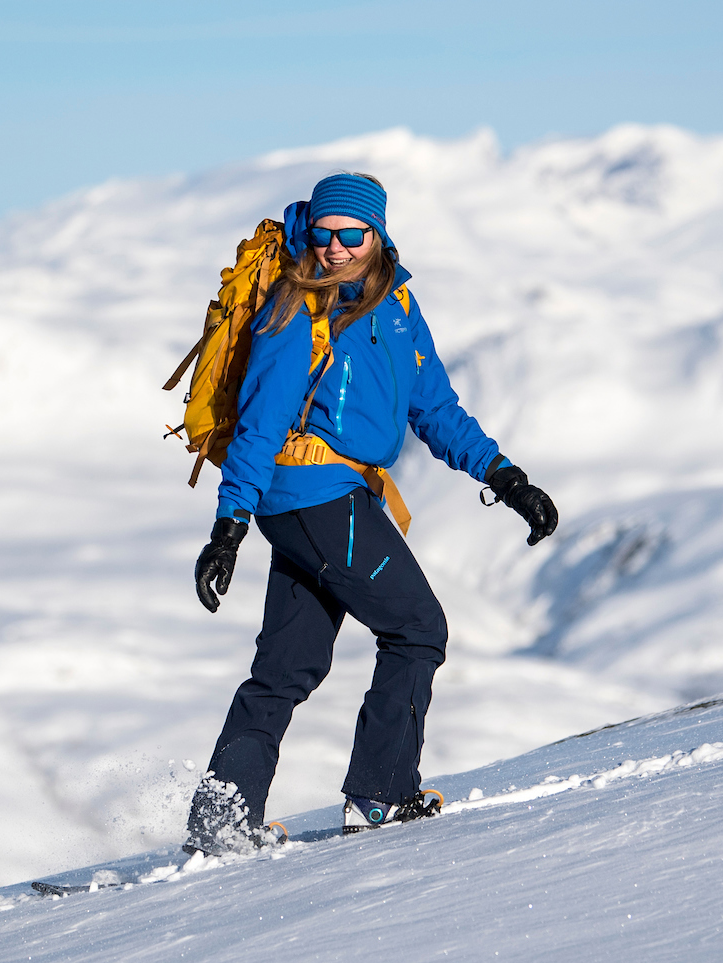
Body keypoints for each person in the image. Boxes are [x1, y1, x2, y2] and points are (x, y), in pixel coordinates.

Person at [185, 171, 558, 851]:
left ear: (377, 235)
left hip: (330, 497)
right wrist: (227, 528)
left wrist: (506, 478)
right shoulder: (295, 308)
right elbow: (262, 424)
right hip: (312, 494)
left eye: (349, 234)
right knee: (418, 628)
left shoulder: (396, 307)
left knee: (286, 667)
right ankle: (381, 795)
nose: (332, 247)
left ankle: (221, 822)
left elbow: (435, 409)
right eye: (322, 233)